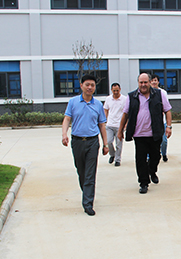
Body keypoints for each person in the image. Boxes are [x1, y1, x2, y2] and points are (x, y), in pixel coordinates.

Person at [62, 74, 108, 215]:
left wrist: (106, 144)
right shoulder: (73, 102)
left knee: (90, 173)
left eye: (92, 85)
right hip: (77, 141)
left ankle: (88, 203)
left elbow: (102, 125)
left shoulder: (98, 105)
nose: (90, 87)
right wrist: (64, 134)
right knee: (81, 171)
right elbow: (67, 119)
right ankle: (87, 192)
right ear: (81, 85)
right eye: (87, 84)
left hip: (92, 142)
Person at [118, 73, 172, 194]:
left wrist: (168, 127)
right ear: (138, 83)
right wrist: (120, 130)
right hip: (139, 135)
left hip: (155, 133)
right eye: (141, 82)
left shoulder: (159, 94)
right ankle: (143, 183)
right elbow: (125, 114)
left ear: (149, 82)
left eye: (145, 82)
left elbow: (167, 110)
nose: (143, 85)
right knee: (140, 160)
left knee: (156, 157)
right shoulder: (131, 96)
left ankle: (152, 171)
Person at [103, 82, 127, 166]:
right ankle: (112, 154)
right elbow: (106, 110)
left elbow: (127, 113)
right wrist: (104, 120)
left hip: (119, 125)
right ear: (111, 90)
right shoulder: (108, 99)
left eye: (117, 90)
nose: (116, 92)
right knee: (108, 141)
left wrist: (125, 124)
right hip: (109, 124)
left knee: (119, 144)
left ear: (120, 89)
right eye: (114, 91)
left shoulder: (124, 99)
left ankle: (117, 160)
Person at [150, 74, 169, 162]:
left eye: (155, 80)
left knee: (164, 140)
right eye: (152, 80)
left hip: (162, 121)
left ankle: (164, 153)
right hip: (150, 122)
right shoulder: (147, 92)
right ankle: (149, 156)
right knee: (150, 140)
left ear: (158, 82)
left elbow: (167, 107)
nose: (154, 82)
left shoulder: (162, 92)